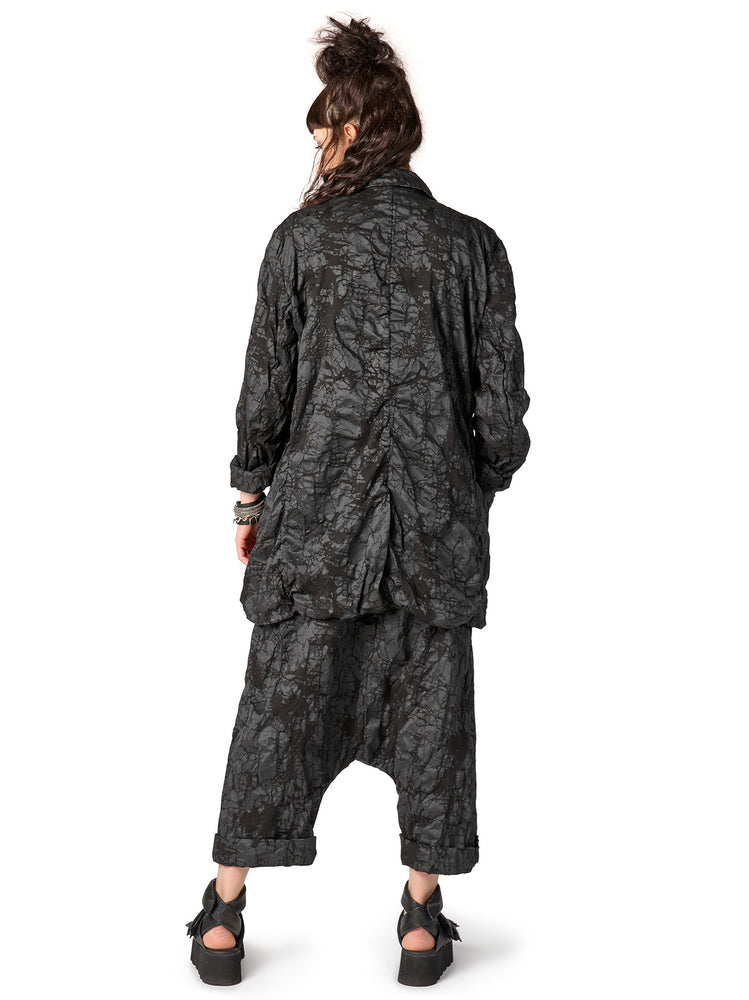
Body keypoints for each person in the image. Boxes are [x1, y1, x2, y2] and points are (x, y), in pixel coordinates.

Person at [185, 14, 531, 989]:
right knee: (431, 717)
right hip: (432, 535)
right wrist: (470, 482)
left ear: (349, 132)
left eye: (323, 134)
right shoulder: (471, 247)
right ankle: (420, 922)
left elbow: (264, 387)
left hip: (314, 532)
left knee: (276, 711)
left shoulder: (299, 242)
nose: (318, 151)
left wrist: (249, 498)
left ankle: (223, 917)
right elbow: (499, 410)